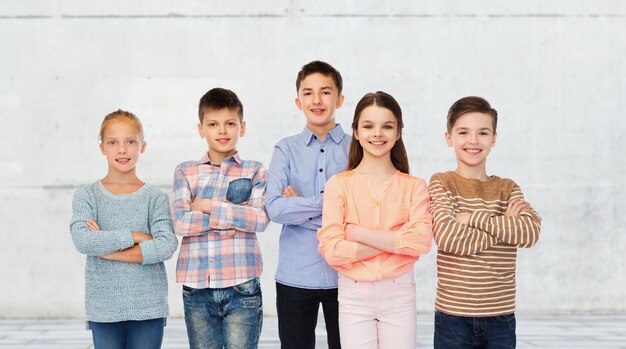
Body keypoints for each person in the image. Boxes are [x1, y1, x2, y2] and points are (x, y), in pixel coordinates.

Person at [317, 91, 433, 349]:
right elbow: (333, 251)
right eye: (368, 126)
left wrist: (357, 233)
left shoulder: (415, 186)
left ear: (398, 132)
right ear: (356, 132)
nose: (377, 134)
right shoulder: (339, 185)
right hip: (354, 294)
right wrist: (395, 242)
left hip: (399, 292)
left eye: (387, 126)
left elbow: (421, 242)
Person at [428, 96, 542, 349]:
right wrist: (504, 224)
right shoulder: (442, 182)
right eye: (463, 132)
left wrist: (471, 218)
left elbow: (530, 232)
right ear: (449, 138)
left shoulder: (507, 188)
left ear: (493, 139)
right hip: (453, 316)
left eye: (482, 132)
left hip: (500, 316)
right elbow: (448, 237)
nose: (473, 140)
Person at [69, 109, 178, 349]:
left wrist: (105, 249)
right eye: (113, 142)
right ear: (102, 148)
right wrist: (135, 236)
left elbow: (166, 245)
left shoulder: (155, 198)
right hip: (104, 307)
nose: (122, 149)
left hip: (148, 306)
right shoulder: (87, 196)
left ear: (143, 146)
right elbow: (83, 241)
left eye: (130, 141)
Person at [170, 88, 269, 349]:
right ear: (201, 129)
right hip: (197, 288)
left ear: (242, 127)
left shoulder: (255, 170)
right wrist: (232, 217)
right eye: (213, 124)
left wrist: (205, 206)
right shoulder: (186, 171)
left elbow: (259, 220)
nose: (222, 131)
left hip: (242, 285)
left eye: (230, 124)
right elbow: (179, 222)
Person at [265, 60, 348, 349]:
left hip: (346, 276)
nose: (316, 100)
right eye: (308, 92)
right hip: (295, 276)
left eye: (325, 92)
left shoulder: (358, 148)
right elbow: (274, 208)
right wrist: (332, 206)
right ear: (298, 101)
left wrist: (299, 206)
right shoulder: (285, 148)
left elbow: (360, 212)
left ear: (339, 99)